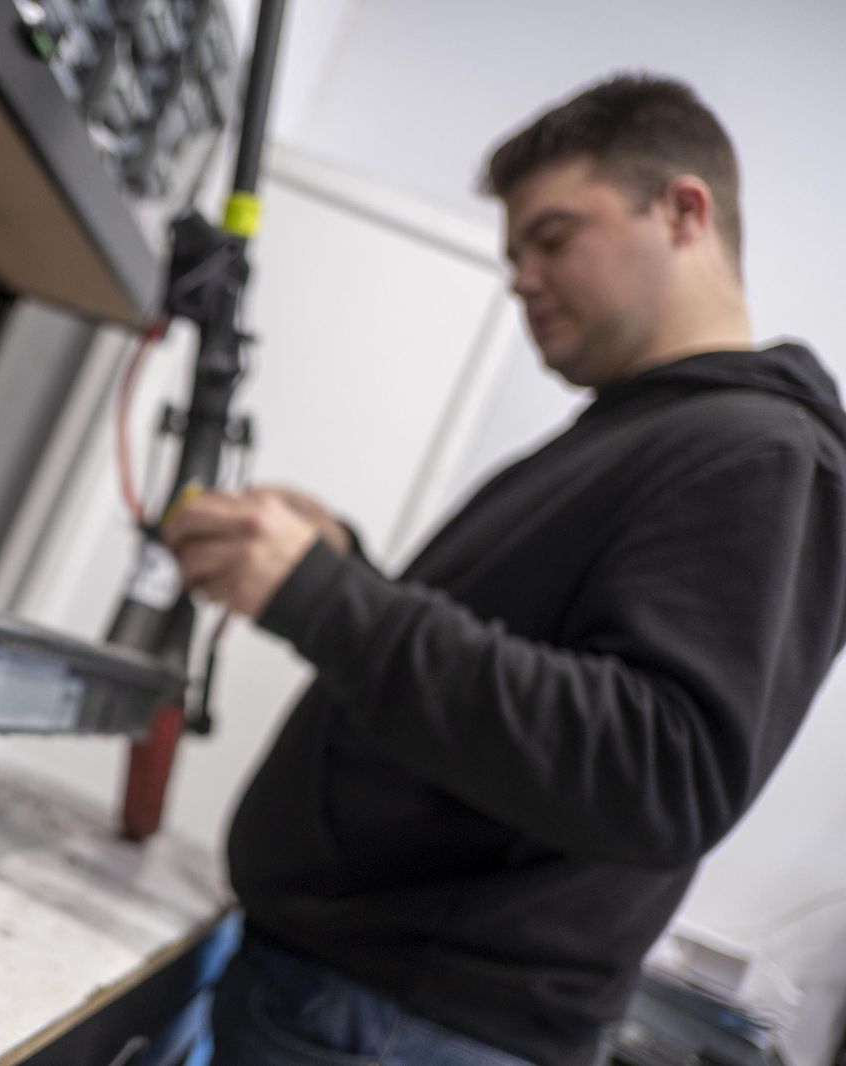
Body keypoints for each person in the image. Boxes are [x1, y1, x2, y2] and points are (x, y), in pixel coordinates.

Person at [163, 73, 846, 1066]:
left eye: (554, 238)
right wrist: (345, 568)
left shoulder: (756, 453)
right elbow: (519, 689)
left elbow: (660, 767)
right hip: (351, 1006)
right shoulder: (644, 430)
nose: (520, 276)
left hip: (402, 1030)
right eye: (513, 251)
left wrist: (328, 597)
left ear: (682, 211)